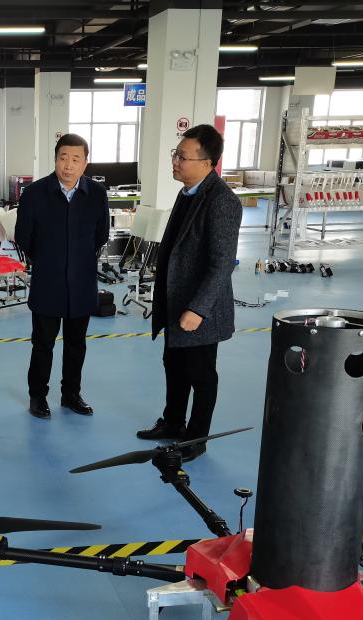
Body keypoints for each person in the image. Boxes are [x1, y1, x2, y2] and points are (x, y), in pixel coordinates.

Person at [136, 124, 241, 462]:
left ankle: (196, 439)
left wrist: (198, 309)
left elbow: (221, 264)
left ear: (207, 162)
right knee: (174, 365)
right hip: (175, 300)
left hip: (199, 309)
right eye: (176, 154)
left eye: (182, 157)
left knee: (201, 374)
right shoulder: (187, 193)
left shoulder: (222, 202)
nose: (175, 161)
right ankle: (173, 422)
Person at [15, 133, 109, 419]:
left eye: (76, 159)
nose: (68, 165)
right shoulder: (34, 194)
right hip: (48, 281)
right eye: (63, 158)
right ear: (55, 159)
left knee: (76, 344)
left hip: (82, 283)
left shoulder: (96, 195)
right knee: (43, 343)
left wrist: (77, 259)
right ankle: (37, 396)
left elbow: (101, 235)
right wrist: (49, 260)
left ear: (85, 163)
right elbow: (24, 237)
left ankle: (71, 395)